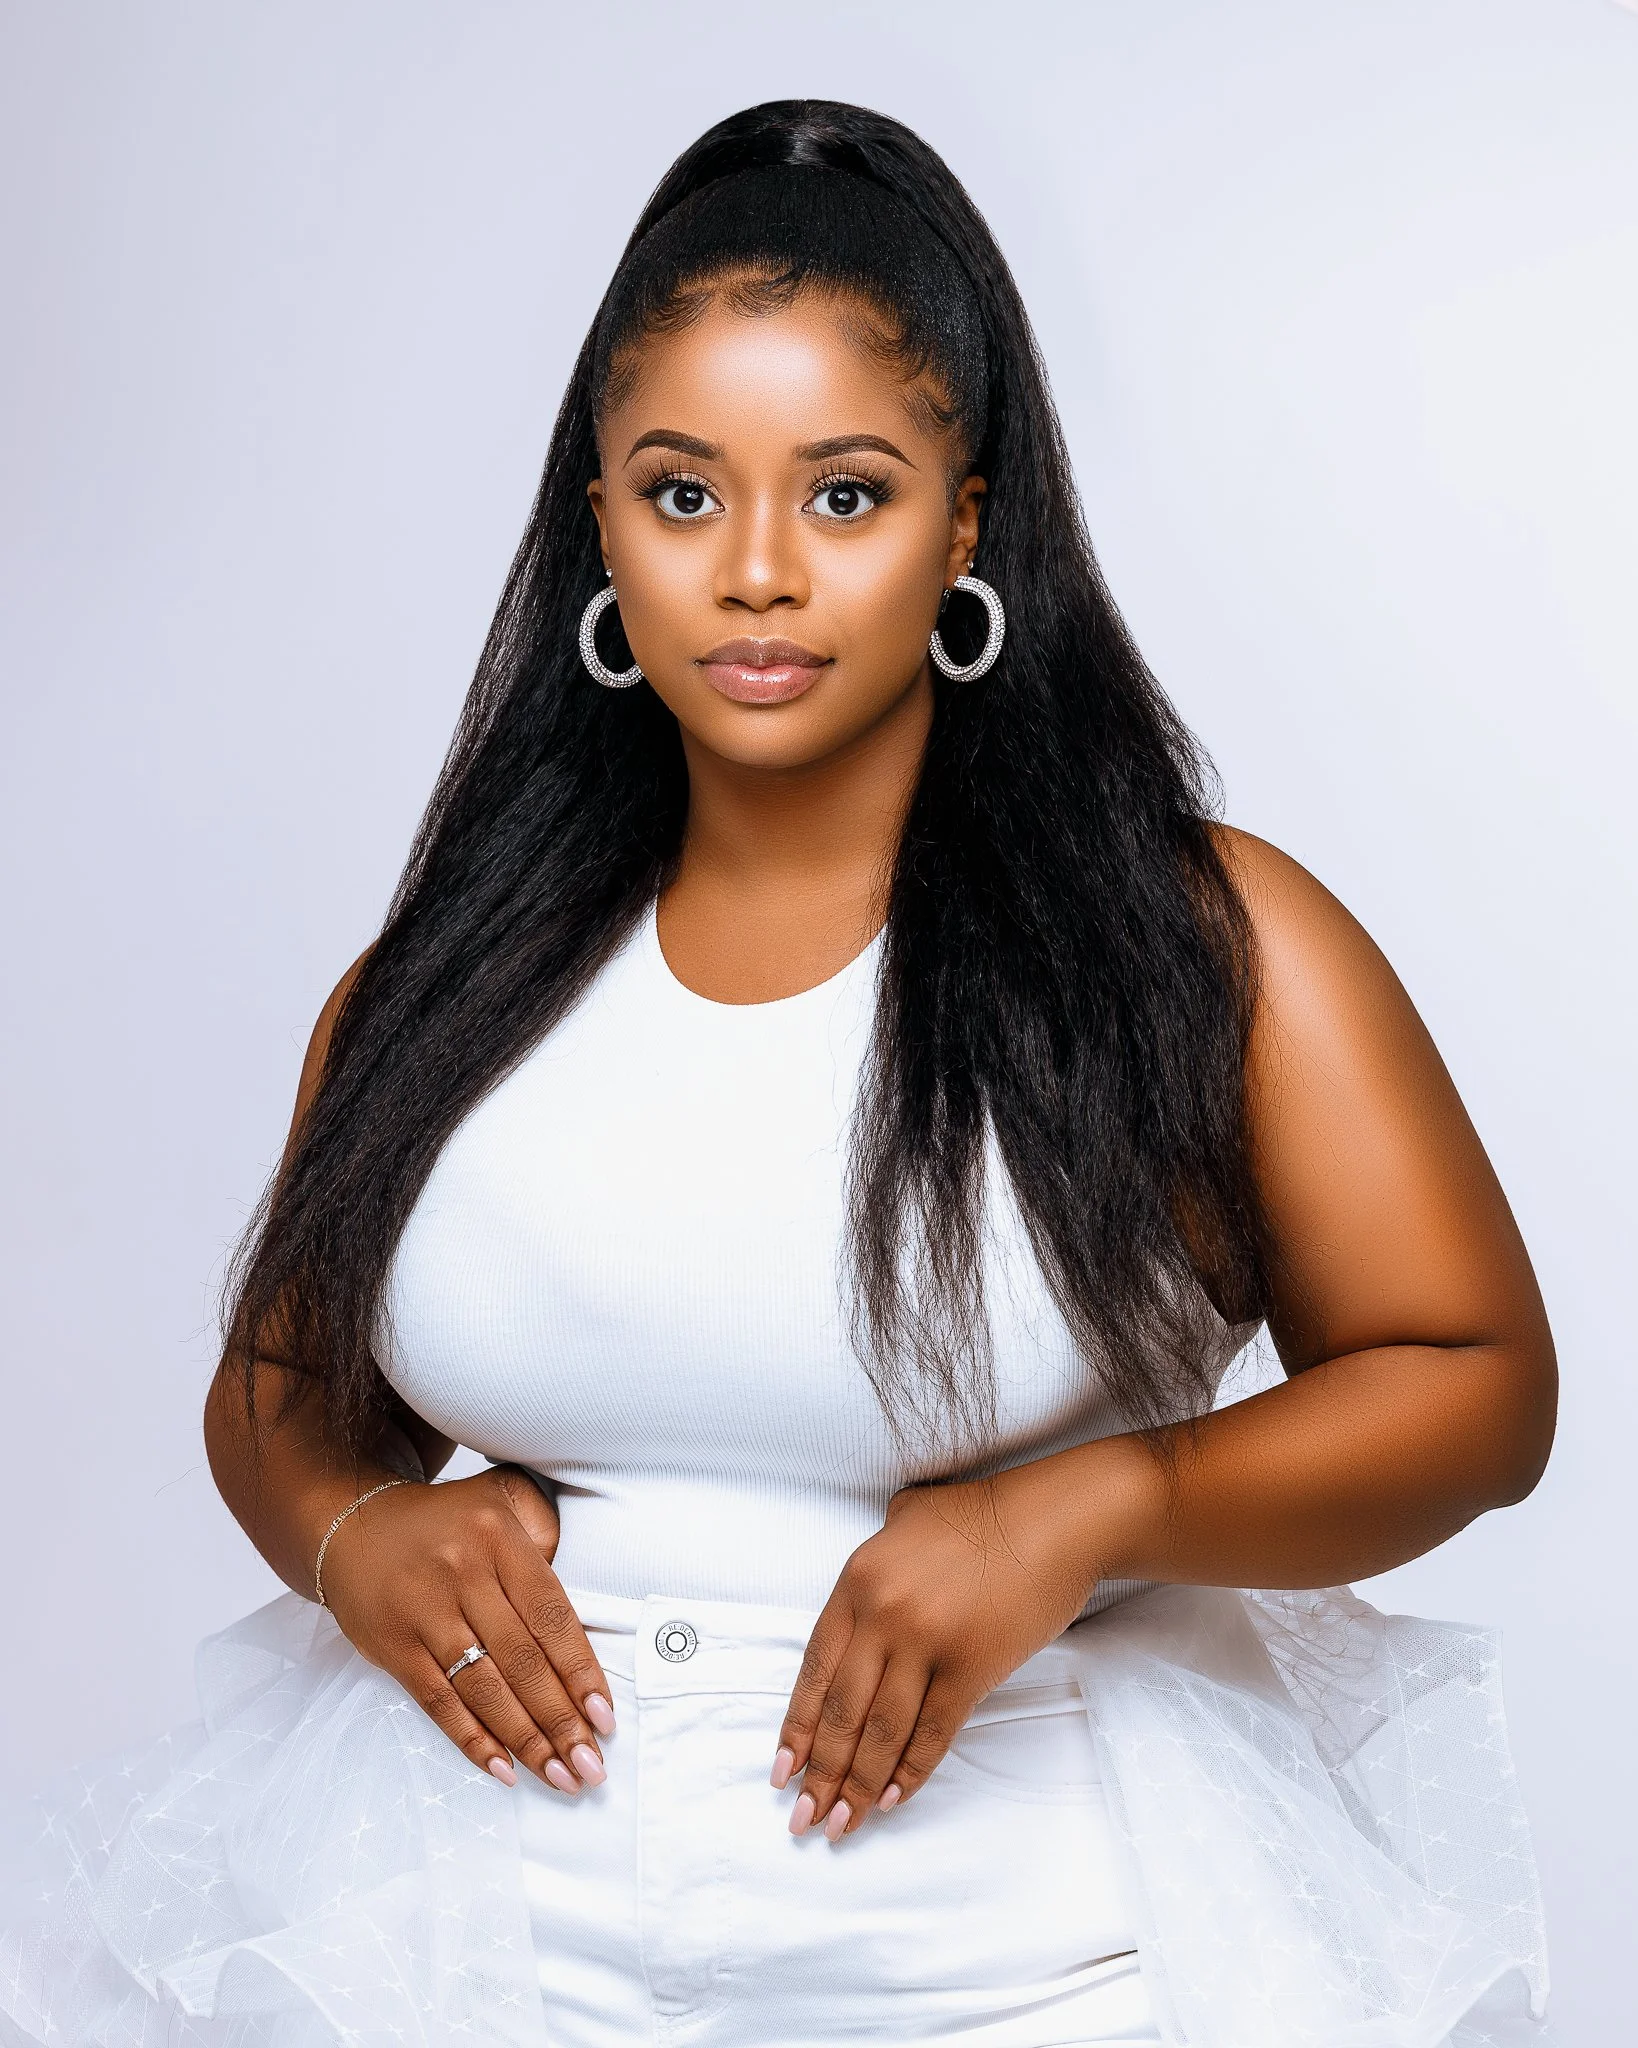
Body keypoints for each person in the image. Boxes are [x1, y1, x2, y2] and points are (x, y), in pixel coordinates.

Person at [0, 100, 1555, 2048]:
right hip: (462, 1965)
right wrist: (348, 1525)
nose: (753, 571)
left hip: (1036, 1975)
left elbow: (1470, 1383)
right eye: (680, 493)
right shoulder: (436, 981)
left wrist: (1080, 1512)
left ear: (964, 519)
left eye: (842, 494)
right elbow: (281, 1388)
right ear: (599, 516)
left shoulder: (1203, 948)